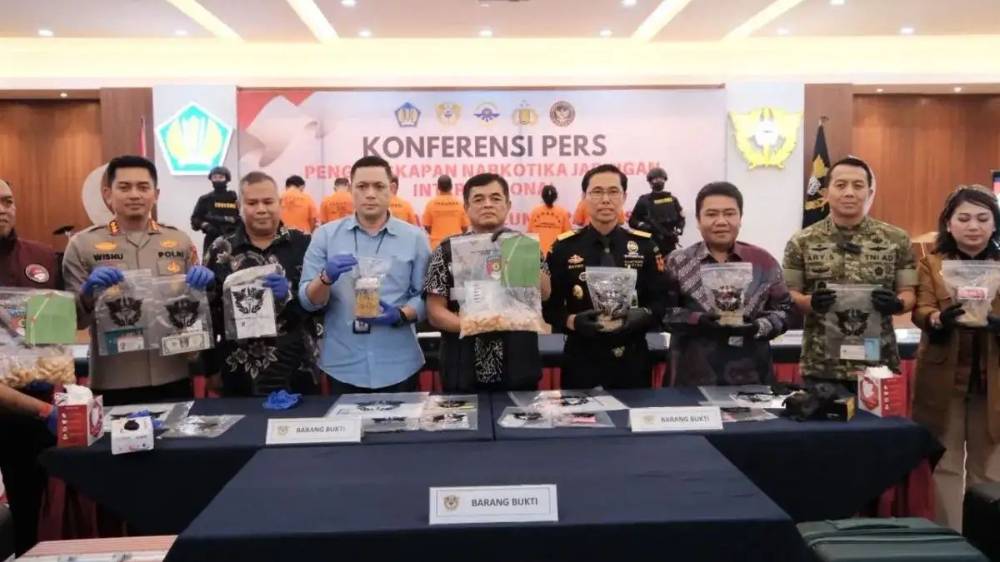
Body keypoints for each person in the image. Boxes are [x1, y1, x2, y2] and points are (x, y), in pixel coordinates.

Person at [63, 155, 215, 406]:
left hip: (173, 373)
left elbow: (193, 308)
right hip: (114, 379)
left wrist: (205, 288)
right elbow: (74, 321)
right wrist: (87, 293)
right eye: (124, 187)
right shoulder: (82, 246)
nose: (134, 194)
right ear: (107, 194)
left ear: (156, 194)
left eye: (143, 187)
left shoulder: (180, 241)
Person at [783, 156, 916, 388]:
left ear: (869, 192)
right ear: (826, 193)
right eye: (841, 185)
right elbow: (788, 295)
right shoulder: (801, 242)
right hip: (821, 364)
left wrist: (897, 304)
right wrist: (810, 302)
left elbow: (909, 293)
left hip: (878, 364)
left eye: (858, 185)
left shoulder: (897, 240)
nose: (849, 193)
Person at [300, 156, 430, 393]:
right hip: (342, 365)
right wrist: (325, 278)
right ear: (351, 189)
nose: (370, 194)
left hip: (398, 363)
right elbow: (307, 301)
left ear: (392, 189)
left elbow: (425, 296)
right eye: (362, 186)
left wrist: (402, 314)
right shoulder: (325, 236)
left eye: (379, 186)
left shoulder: (415, 238)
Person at [911, 186, 1000, 531]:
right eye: (963, 218)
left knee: (989, 466)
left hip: (992, 381)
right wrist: (937, 319)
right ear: (948, 223)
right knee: (944, 464)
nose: (973, 226)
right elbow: (921, 308)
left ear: (994, 224)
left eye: (982, 218)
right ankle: (950, 539)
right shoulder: (931, 263)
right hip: (944, 380)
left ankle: (986, 541)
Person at [545, 164, 667, 389]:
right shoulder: (564, 248)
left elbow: (661, 301)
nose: (605, 199)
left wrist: (643, 315)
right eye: (597, 192)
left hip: (633, 359)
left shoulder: (645, 246)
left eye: (613, 192)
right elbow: (549, 307)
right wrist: (573, 321)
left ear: (624, 197)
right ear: (584, 197)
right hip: (581, 359)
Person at [425, 173, 549, 392]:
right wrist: (476, 324)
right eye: (479, 199)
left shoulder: (523, 245)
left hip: (518, 364)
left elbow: (545, 293)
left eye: (495, 198)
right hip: (462, 366)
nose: (488, 204)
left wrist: (516, 252)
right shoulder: (447, 250)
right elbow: (435, 312)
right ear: (466, 207)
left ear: (508, 205)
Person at [664, 182, 792, 386]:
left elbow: (785, 310)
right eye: (711, 214)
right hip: (691, 378)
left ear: (740, 218)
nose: (721, 221)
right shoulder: (678, 262)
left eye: (729, 213)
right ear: (698, 220)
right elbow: (664, 313)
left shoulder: (763, 261)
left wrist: (758, 326)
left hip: (752, 379)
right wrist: (698, 320)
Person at [205, 172, 318, 396]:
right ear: (239, 206)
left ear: (279, 203)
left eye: (268, 202)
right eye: (252, 203)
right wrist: (209, 366)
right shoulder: (220, 249)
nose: (261, 209)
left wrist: (292, 294)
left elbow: (321, 306)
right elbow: (211, 315)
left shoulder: (304, 244)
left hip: (296, 366)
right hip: (238, 369)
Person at [0, 178, 61, 555]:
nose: (2, 209)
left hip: (32, 408)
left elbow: (58, 330)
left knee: (30, 510)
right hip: (31, 408)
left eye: (7, 201)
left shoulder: (42, 257)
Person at [629, 167, 685, 254]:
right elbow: (632, 221)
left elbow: (681, 219)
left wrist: (679, 229)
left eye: (661, 179)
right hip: (650, 243)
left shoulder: (673, 200)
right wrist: (643, 226)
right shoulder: (644, 200)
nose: (659, 181)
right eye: (656, 179)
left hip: (669, 243)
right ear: (650, 182)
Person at [190, 166, 239, 256]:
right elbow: (195, 219)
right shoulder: (205, 199)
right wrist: (205, 225)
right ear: (211, 179)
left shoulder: (234, 198)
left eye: (221, 177)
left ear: (227, 179)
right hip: (212, 239)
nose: (218, 180)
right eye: (215, 177)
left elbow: (243, 217)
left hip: (234, 239)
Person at [422, 174, 469, 249]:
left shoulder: (430, 204)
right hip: (456, 245)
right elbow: (465, 227)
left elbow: (427, 226)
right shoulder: (460, 204)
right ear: (451, 186)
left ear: (438, 187)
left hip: (437, 245)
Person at [527, 184, 572, 256]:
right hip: (556, 253)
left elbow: (529, 234)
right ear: (555, 197)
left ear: (542, 196)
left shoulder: (535, 212)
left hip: (538, 254)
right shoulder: (562, 212)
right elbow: (568, 235)